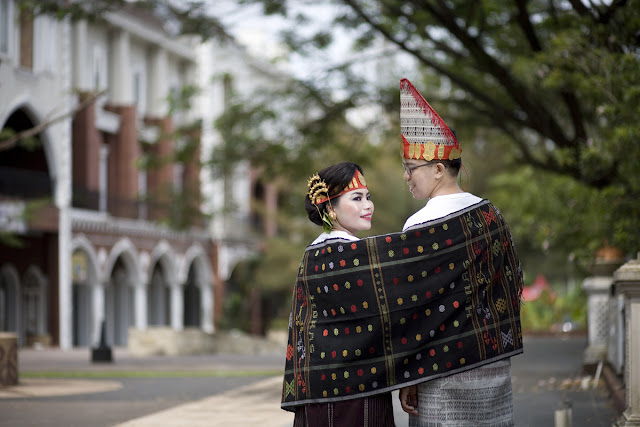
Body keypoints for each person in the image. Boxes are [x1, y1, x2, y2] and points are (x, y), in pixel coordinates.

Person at [397, 77, 520, 426]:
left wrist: (410, 376)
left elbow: (412, 308)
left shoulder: (417, 226)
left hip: (439, 373)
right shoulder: (491, 215)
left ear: (438, 169)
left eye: (411, 169)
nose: (407, 178)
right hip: (492, 365)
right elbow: (512, 282)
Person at [284, 161, 396, 427]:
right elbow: (385, 318)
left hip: (315, 391)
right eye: (356, 198)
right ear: (330, 208)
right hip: (361, 388)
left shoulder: (310, 255)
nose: (367, 205)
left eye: (368, 197)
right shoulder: (359, 254)